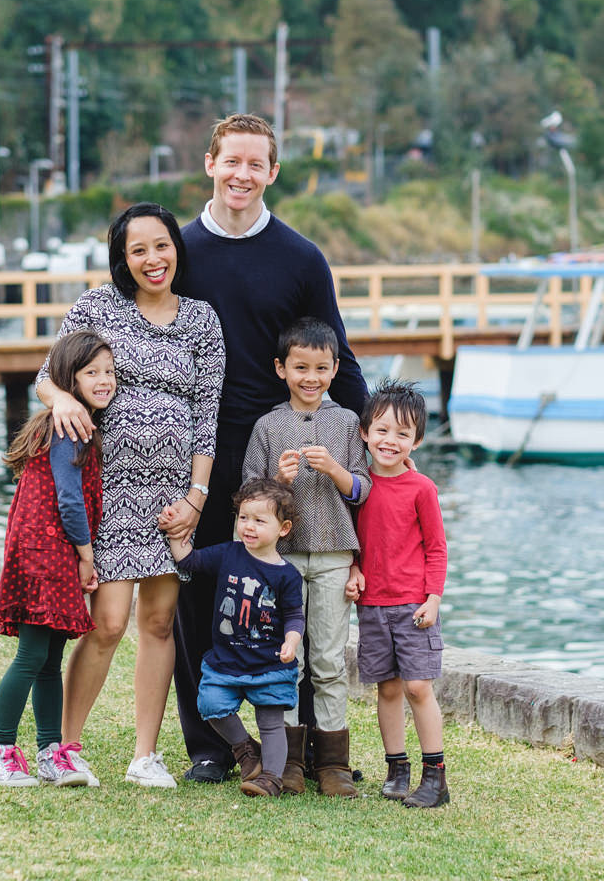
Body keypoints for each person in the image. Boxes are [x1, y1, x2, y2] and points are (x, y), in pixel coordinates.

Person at [172, 112, 369, 783]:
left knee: (294, 597)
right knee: (202, 591)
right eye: (232, 161)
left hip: (281, 446)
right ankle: (212, 744)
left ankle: (307, 748)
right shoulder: (178, 251)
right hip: (198, 445)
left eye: (257, 164)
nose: (243, 175)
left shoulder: (300, 257)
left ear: (273, 173)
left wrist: (375, 441)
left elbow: (335, 355)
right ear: (210, 163)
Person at [37, 202, 225, 788]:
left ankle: (146, 754)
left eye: (162, 246)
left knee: (161, 622)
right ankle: (63, 747)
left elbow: (206, 414)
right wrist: (62, 400)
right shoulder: (96, 306)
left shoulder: (201, 318)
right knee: (109, 623)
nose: (152, 259)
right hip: (109, 489)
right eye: (138, 249)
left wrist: (196, 498)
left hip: (173, 498)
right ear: (122, 256)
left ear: (177, 249)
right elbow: (46, 375)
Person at [0, 329, 115, 787]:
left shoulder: (72, 421)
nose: (103, 380)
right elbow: (70, 500)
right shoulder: (69, 426)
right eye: (91, 372)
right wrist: (86, 555)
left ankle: (49, 753)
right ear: (67, 379)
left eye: (109, 372)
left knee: (50, 658)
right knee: (31, 655)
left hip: (46, 549)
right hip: (47, 552)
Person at [240, 317, 370, 797]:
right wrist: (280, 483)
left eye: (320, 368)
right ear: (281, 369)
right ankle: (287, 761)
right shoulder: (268, 426)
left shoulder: (346, 424)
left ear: (335, 369)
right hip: (283, 562)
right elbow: (250, 498)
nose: (310, 377)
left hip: (335, 555)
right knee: (284, 659)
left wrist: (335, 469)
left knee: (330, 660)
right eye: (300, 368)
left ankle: (332, 764)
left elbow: (362, 489)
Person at [346, 380, 450, 808]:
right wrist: (353, 568)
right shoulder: (358, 486)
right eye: (382, 430)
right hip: (372, 606)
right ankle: (396, 768)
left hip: (413, 607)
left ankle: (435, 777)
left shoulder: (422, 489)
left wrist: (433, 598)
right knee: (386, 690)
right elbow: (352, 537)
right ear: (366, 433)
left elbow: (437, 547)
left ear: (417, 441)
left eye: (403, 434)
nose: (391, 441)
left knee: (418, 688)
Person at [165, 478, 304, 798]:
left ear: (283, 528)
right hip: (225, 662)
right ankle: (244, 750)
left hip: (269, 665)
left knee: (271, 722)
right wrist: (175, 532)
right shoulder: (229, 554)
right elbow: (190, 561)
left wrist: (291, 641)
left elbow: (295, 616)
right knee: (210, 704)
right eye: (243, 518)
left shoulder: (287, 575)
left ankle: (271, 777)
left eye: (259, 520)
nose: (249, 527)